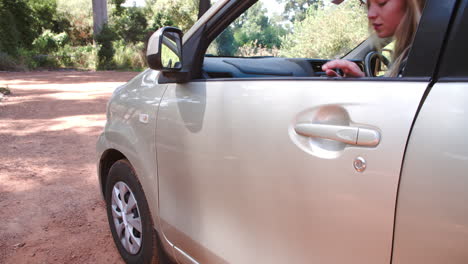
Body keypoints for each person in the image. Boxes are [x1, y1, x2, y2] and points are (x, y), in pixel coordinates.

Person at [322, 0, 425, 77]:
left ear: (410, 4)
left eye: (381, 2)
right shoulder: (410, 56)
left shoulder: (421, 57)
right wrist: (361, 80)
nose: (370, 14)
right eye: (369, 5)